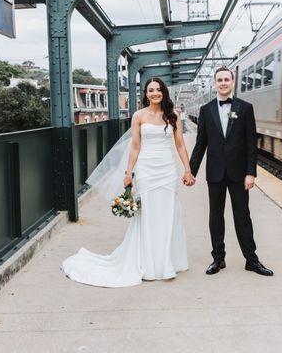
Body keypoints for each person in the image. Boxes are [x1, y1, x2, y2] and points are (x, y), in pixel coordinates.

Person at [62, 78, 195, 287]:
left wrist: (187, 169)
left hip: (167, 170)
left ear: (164, 92)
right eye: (151, 90)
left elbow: (179, 145)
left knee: (167, 213)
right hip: (146, 170)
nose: (155, 93)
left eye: (158, 90)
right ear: (146, 93)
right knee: (148, 214)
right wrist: (129, 173)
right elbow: (135, 146)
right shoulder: (138, 116)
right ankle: (148, 265)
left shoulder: (173, 116)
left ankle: (166, 262)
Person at [189, 66, 273, 276]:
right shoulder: (206, 110)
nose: (223, 83)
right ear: (215, 84)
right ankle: (218, 259)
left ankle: (252, 260)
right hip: (215, 172)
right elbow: (201, 144)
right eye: (220, 80)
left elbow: (251, 144)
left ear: (233, 82)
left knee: (242, 216)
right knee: (215, 216)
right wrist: (191, 171)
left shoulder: (245, 108)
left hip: (238, 174)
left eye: (227, 79)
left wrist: (250, 172)